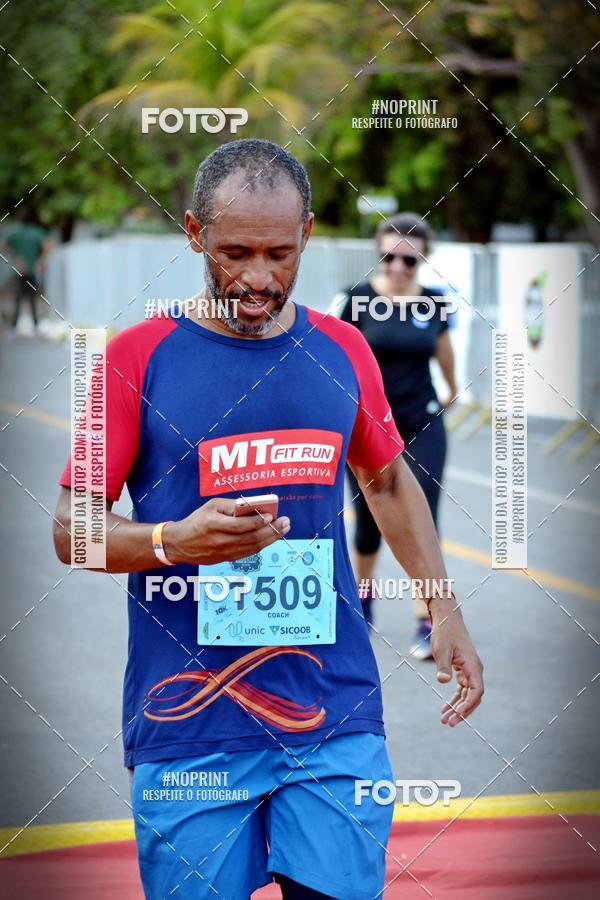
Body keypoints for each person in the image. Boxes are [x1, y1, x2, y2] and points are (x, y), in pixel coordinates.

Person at [53, 140, 483, 900]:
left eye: (279, 253)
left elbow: (386, 481)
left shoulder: (344, 349)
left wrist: (441, 605)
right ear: (193, 234)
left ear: (308, 236)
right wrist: (171, 541)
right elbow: (69, 526)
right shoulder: (137, 358)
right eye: (234, 252)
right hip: (189, 723)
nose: (258, 278)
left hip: (335, 714)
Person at [332, 214, 457, 660]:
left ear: (423, 258)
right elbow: (335, 355)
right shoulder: (357, 299)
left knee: (424, 518)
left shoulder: (435, 303)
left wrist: (452, 390)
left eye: (409, 258)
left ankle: (427, 617)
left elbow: (443, 354)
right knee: (368, 520)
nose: (399, 266)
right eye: (389, 256)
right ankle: (363, 603)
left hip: (421, 422)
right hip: (367, 427)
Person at [2, 208, 51, 331]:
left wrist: (15, 257)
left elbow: (3, 246)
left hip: (19, 269)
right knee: (33, 297)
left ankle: (14, 327)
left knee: (17, 298)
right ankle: (35, 326)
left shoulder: (15, 233)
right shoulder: (36, 232)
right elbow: (48, 247)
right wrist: (40, 262)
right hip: (32, 270)